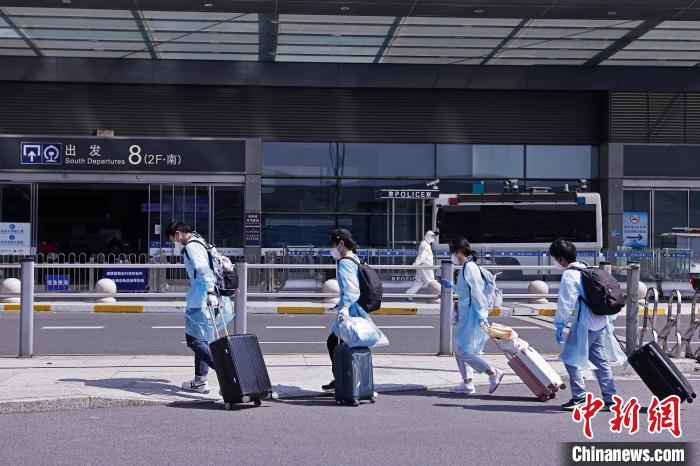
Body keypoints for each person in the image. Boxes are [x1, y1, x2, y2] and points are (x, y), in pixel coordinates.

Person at [549, 239, 626, 411]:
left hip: (585, 323)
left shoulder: (569, 275)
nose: (557, 263)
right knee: (600, 361)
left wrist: (560, 324)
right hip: (601, 321)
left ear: (561, 259)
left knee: (571, 359)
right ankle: (611, 399)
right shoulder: (585, 267)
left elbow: (565, 303)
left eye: (556, 259)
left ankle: (579, 398)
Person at [167, 220, 234, 394]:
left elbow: (203, 269)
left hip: (203, 298)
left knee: (194, 340)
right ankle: (200, 381)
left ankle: (226, 374)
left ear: (178, 234)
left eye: (172, 240)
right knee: (203, 338)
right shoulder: (201, 240)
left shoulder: (191, 246)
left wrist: (210, 291)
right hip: (213, 297)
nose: (174, 244)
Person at [440, 236, 504, 395]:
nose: (452, 256)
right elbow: (466, 291)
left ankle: (492, 372)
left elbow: (476, 293)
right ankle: (467, 383)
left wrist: (482, 316)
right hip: (467, 314)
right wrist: (453, 286)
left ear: (459, 251)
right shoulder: (467, 267)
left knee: (463, 351)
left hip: (472, 315)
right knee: (461, 348)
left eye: (453, 252)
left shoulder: (469, 267)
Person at [322, 228, 379, 391]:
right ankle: (356, 381)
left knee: (335, 342)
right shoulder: (356, 259)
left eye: (333, 245)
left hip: (351, 311)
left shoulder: (345, 262)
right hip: (358, 309)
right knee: (351, 346)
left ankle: (343, 380)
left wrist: (345, 307)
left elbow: (352, 289)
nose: (332, 249)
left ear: (341, 243)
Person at [405, 230, 436, 301]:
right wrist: (416, 264)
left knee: (418, 282)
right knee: (432, 282)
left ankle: (408, 295)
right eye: (432, 236)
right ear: (428, 236)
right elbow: (422, 256)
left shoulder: (425, 243)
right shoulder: (425, 245)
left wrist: (416, 264)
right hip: (425, 268)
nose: (433, 238)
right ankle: (434, 298)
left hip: (423, 267)